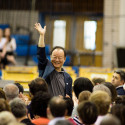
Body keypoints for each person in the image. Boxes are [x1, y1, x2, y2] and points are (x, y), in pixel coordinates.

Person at [35, 23, 72, 98]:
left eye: (60, 57)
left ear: (64, 59)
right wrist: (42, 35)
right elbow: (41, 54)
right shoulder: (46, 67)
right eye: (54, 57)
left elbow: (69, 98)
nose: (57, 60)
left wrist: (65, 99)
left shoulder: (68, 77)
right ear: (50, 57)